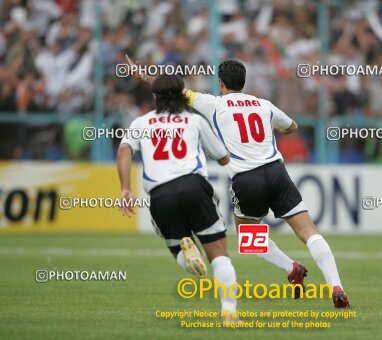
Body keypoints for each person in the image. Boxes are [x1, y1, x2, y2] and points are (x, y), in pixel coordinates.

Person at [126, 56, 350, 308]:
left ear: (220, 83)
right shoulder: (263, 105)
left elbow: (172, 90)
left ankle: (292, 267)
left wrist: (142, 75)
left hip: (247, 179)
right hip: (277, 172)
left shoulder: (213, 104)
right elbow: (292, 126)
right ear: (244, 81)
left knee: (248, 236)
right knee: (308, 232)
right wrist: (275, 130)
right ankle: (336, 286)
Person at [116, 74, 241, 322]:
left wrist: (125, 189)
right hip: (193, 187)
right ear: (183, 94)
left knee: (177, 251)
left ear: (154, 97)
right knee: (220, 255)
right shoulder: (194, 121)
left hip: (160, 195)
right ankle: (229, 313)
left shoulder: (141, 123)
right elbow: (223, 157)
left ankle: (188, 256)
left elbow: (124, 150)